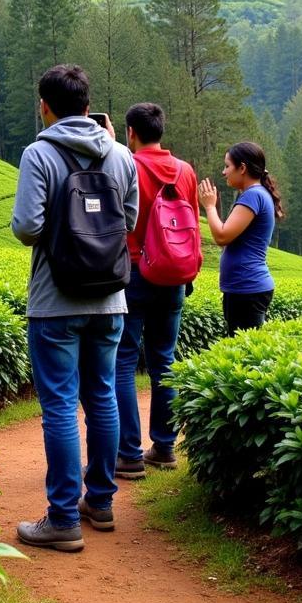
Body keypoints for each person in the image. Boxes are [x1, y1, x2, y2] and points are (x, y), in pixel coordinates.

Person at [11, 65, 138, 552]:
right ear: (89, 105)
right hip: (110, 298)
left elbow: (26, 227)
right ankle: (100, 503)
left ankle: (63, 518)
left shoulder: (39, 153)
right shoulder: (122, 155)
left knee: (60, 405)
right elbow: (128, 219)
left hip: (55, 299)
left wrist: (63, 234)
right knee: (102, 396)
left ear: (45, 105)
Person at [114, 103, 199, 481]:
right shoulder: (185, 171)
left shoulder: (127, 166)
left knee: (123, 361)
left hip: (133, 270)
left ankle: (129, 453)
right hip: (174, 275)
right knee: (165, 359)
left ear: (131, 131)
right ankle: (164, 446)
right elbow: (192, 224)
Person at [198, 141, 284, 336]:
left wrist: (210, 206)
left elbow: (222, 236)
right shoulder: (255, 194)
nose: (224, 172)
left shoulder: (253, 196)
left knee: (245, 356)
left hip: (247, 288)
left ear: (242, 168)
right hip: (245, 288)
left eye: (227, 166)